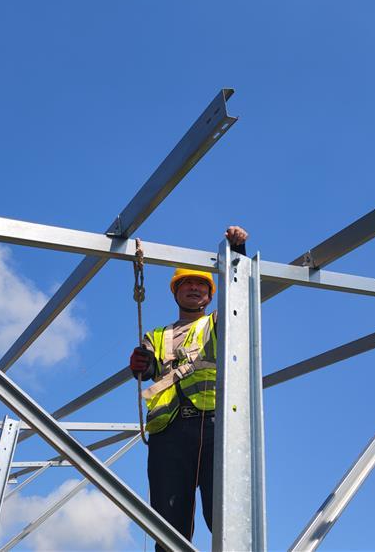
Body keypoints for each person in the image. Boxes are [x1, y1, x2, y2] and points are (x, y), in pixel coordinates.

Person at [129, 225, 249, 550]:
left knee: (225, 517)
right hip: (168, 433)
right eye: (187, 283)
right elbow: (148, 368)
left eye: (201, 284)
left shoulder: (218, 323)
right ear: (176, 292)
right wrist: (142, 364)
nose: (194, 288)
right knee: (169, 525)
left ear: (210, 294)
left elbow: (240, 300)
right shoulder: (157, 335)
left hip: (212, 427)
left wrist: (237, 254)